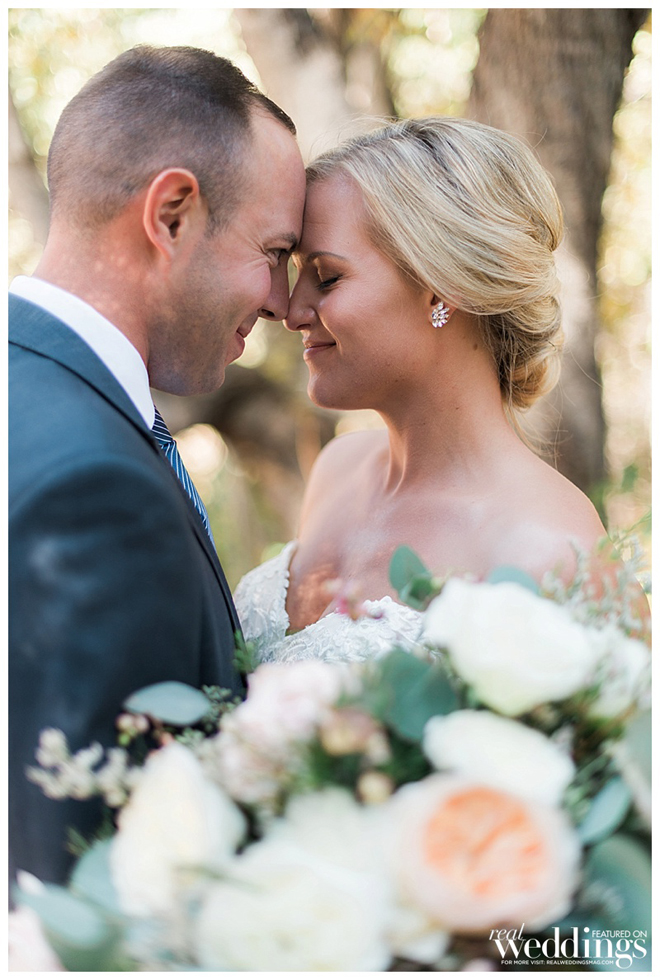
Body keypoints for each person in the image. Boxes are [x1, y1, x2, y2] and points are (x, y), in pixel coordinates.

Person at [9, 45, 305, 885]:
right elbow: (83, 875)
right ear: (172, 214)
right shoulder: (94, 491)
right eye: (274, 252)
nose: (284, 303)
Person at [235, 116, 648, 663]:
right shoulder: (338, 469)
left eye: (327, 277)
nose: (291, 311)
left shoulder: (552, 552)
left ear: (440, 286)